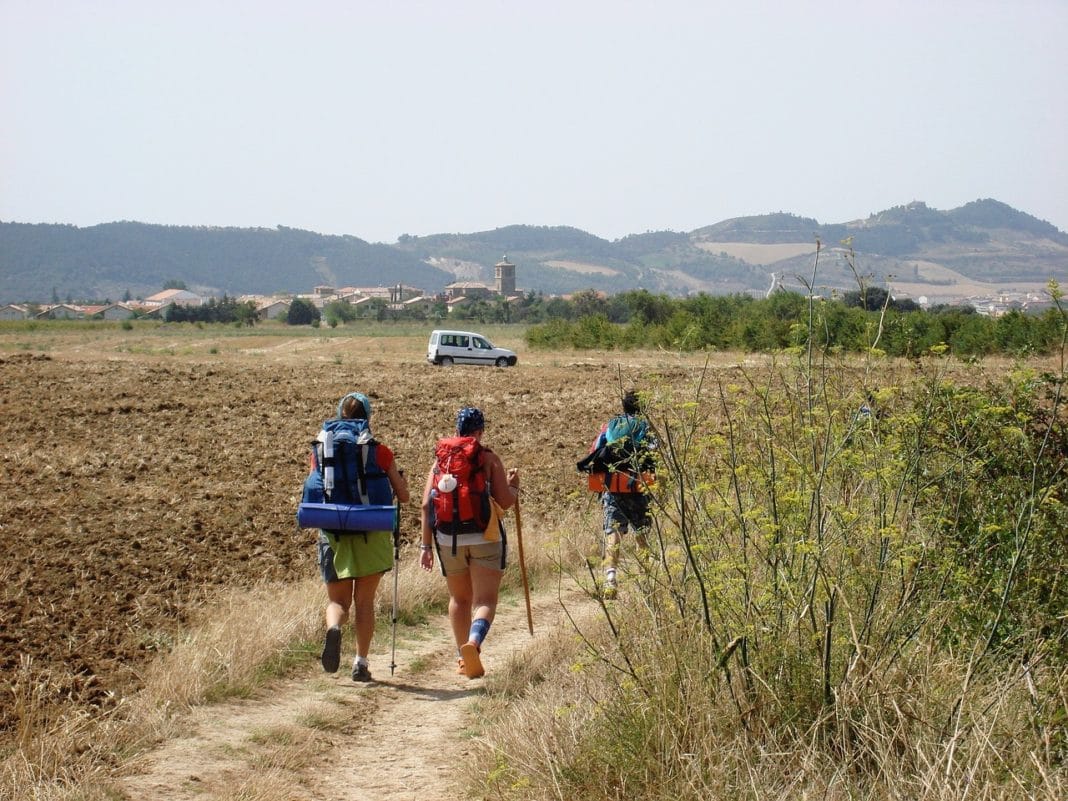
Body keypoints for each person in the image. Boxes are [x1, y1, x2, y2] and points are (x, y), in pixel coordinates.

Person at [308, 392, 409, 682]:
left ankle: (335, 628)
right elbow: (404, 496)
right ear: (367, 417)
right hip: (371, 532)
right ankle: (360, 663)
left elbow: (317, 489)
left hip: (333, 533)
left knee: (338, 602)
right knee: (365, 602)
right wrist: (399, 483)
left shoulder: (321, 450)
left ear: (339, 414)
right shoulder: (379, 451)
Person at [419, 406, 520, 679]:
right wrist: (514, 486)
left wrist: (425, 547)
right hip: (484, 537)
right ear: (480, 431)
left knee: (459, 599)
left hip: (447, 538)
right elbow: (505, 501)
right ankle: (473, 643)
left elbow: (427, 504)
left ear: (456, 430)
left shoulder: (441, 461)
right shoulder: (487, 458)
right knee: (485, 600)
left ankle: (461, 658)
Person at [585, 389, 656, 599]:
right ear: (642, 408)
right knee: (642, 534)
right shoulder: (645, 427)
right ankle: (646, 582)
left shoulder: (610, 426)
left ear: (623, 406)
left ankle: (610, 579)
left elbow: (595, 451)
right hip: (638, 487)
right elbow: (654, 452)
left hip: (613, 487)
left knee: (612, 534)